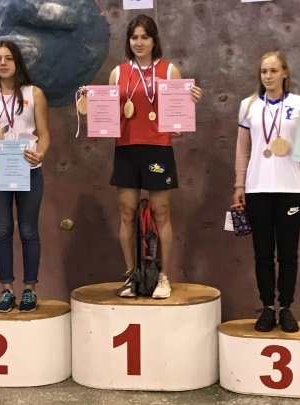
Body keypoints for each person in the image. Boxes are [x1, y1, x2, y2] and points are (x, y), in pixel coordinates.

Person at [232, 51, 300, 333]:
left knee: (288, 253)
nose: (267, 76)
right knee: (263, 253)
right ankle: (268, 307)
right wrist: (239, 185)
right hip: (257, 188)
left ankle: (287, 308)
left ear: (285, 73)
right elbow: (242, 150)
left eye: (273, 71)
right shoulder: (248, 105)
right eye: (263, 71)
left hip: (291, 188)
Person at [106, 15, 202, 299]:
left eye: (144, 37)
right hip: (126, 148)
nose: (139, 43)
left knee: (161, 213)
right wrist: (89, 100)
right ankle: (130, 276)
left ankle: (163, 276)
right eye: (134, 37)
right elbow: (108, 114)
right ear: (128, 41)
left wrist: (190, 101)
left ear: (154, 40)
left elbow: (179, 116)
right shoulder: (118, 73)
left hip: (158, 148)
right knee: (127, 212)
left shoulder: (169, 70)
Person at [0, 40, 50, 313]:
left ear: (17, 62)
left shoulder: (34, 93)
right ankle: (7, 289)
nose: (3, 63)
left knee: (28, 230)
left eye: (8, 58)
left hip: (28, 168)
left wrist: (40, 153)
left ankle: (30, 290)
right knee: (3, 230)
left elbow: (44, 134)